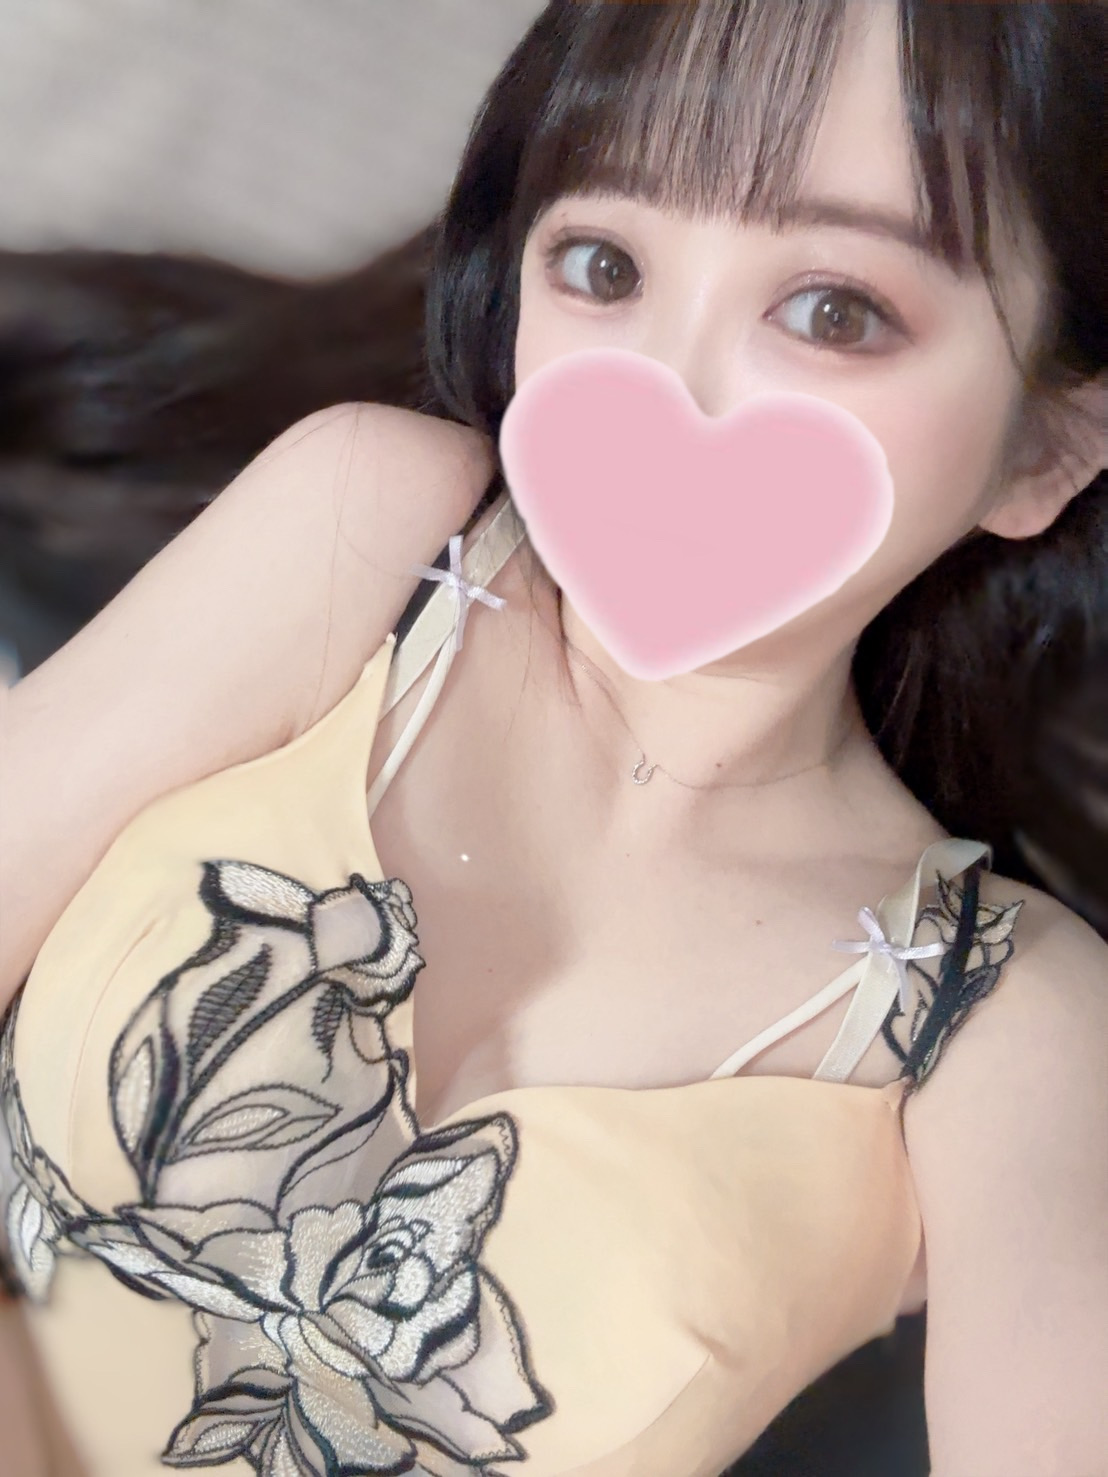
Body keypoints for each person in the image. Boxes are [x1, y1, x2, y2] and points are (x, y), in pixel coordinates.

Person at [0, 2, 1105, 1475]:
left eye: (836, 311)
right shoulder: (361, 531)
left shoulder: (1008, 1024)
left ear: (1047, 448)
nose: (666, 387)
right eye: (603, 267)